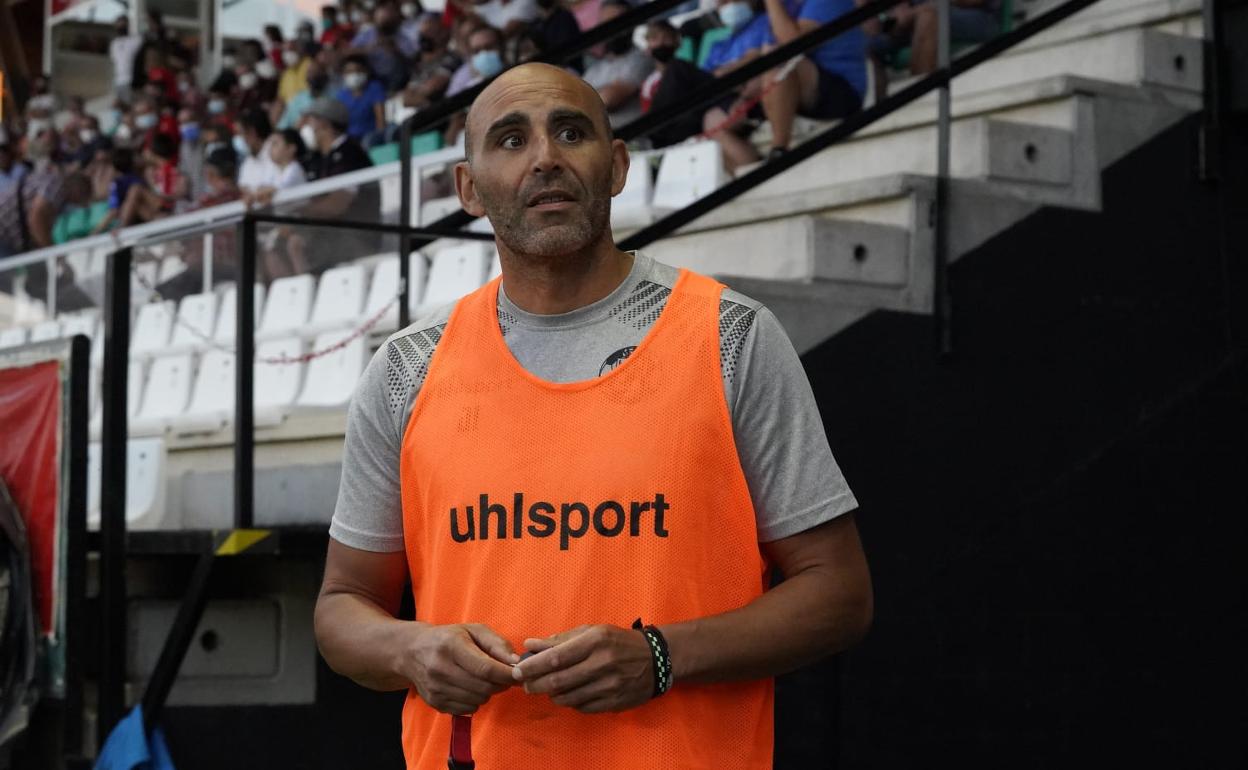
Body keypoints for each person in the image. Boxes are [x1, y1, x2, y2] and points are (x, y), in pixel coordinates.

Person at [313, 62, 871, 770]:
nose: (545, 156)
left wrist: (661, 656)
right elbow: (343, 604)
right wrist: (409, 649)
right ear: (468, 189)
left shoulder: (730, 336)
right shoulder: (407, 367)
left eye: (571, 132)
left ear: (617, 167)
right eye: (511, 140)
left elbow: (838, 593)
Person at [865, 0, 1000, 80]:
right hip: (917, 16)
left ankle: (922, 98)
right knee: (867, 42)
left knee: (928, 18)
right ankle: (876, 112)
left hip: (977, 16)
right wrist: (899, 10)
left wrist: (918, 10)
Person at [581, 1, 654, 128]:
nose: (611, 30)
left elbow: (608, 100)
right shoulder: (594, 69)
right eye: (606, 25)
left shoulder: (641, 59)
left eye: (617, 23)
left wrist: (586, 97)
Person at [401, 14, 463, 112]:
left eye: (429, 31)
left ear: (443, 33)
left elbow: (433, 87)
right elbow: (406, 99)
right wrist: (424, 101)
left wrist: (418, 95)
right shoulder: (421, 66)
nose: (424, 37)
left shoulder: (453, 58)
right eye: (422, 33)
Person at [241, 128, 308, 208]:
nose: (270, 148)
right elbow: (263, 187)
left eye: (275, 144)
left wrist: (256, 195)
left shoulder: (294, 168)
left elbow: (280, 188)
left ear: (291, 148)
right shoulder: (275, 171)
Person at [334, 54, 388, 145]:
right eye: (349, 72)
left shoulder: (374, 88)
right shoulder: (341, 95)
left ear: (366, 71)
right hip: (350, 139)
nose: (354, 74)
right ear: (343, 75)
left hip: (370, 138)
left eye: (358, 70)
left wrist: (380, 138)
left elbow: (381, 120)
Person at [110, 17, 145, 104]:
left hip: (131, 80)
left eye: (123, 26)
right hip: (118, 81)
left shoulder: (136, 40)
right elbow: (115, 61)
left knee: (130, 105)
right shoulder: (114, 43)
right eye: (118, 26)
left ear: (127, 26)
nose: (120, 28)